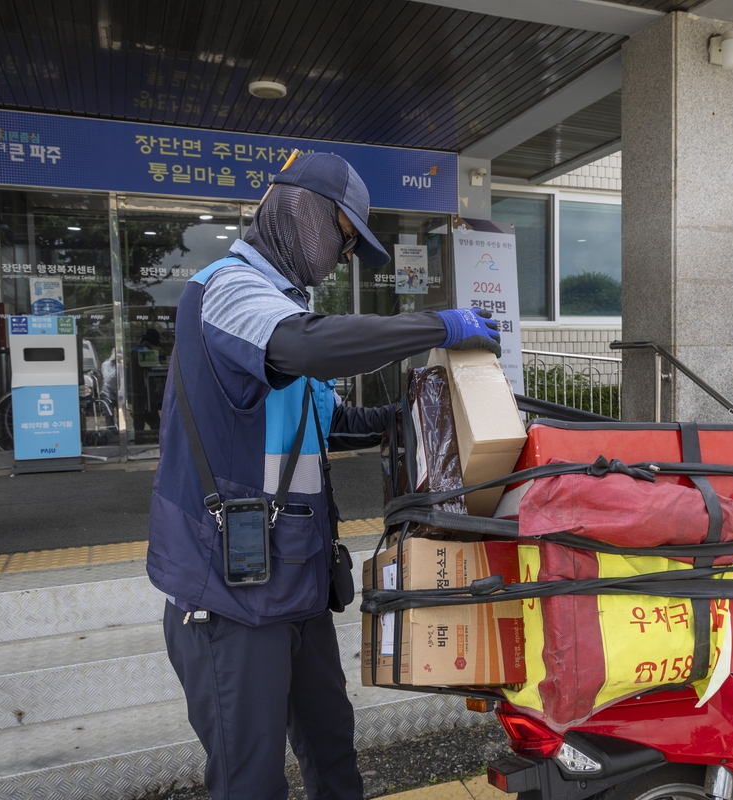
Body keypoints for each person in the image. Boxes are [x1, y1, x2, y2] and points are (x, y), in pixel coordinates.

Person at [147, 152, 500, 800]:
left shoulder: (279, 307)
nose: (342, 256)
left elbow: (336, 422)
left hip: (293, 587)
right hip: (230, 598)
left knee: (333, 753)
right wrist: (437, 324)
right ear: (301, 209)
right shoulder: (226, 292)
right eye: (343, 237)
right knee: (250, 784)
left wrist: (429, 412)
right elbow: (304, 345)